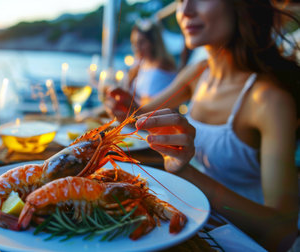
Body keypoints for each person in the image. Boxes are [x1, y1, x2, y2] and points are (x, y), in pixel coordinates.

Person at [105, 0, 299, 251]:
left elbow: (282, 231)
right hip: (200, 223)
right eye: (181, 0)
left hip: (243, 240)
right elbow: (140, 113)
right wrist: (122, 107)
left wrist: (186, 172)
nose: (185, 11)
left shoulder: (269, 100)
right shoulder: (199, 72)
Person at [125, 20, 177, 104]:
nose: (136, 47)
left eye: (141, 42)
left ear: (153, 43)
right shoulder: (141, 64)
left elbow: (149, 104)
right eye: (134, 43)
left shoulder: (162, 67)